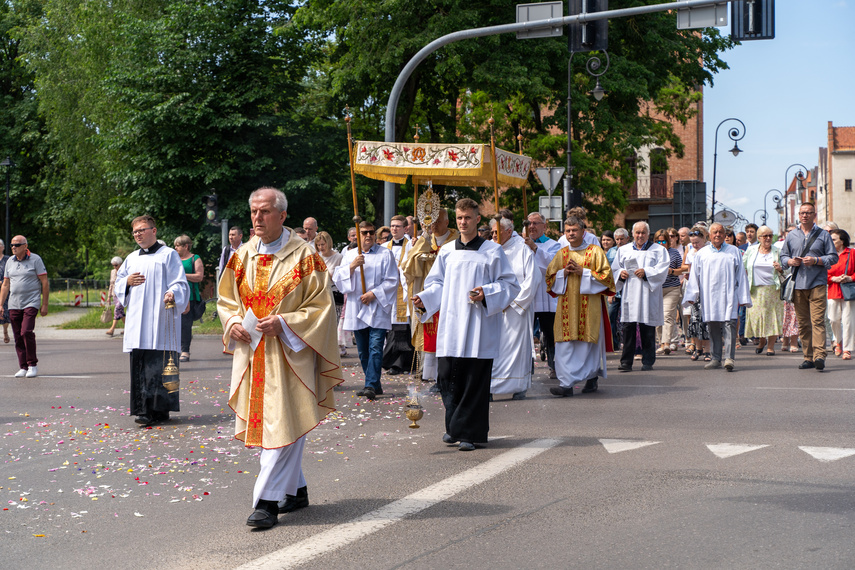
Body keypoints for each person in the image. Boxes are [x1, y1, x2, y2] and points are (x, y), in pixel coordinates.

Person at [217, 187, 342, 529]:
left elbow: (322, 309)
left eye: (265, 212)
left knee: (282, 422)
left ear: (283, 215)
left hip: (290, 353)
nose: (257, 218)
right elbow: (226, 298)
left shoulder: (305, 256)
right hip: (254, 353)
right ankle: (296, 489)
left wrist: (285, 323)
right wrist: (231, 323)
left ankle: (266, 501)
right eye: (254, 211)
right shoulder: (241, 255)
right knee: (282, 422)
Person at [412, 198, 519, 451]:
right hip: (451, 324)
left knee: (473, 380)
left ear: (477, 219)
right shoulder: (448, 251)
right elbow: (437, 284)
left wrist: (487, 292)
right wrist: (424, 299)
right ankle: (454, 427)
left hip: (478, 326)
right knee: (448, 378)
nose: (463, 222)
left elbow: (510, 285)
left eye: (468, 218)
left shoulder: (492, 251)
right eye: (459, 218)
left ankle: (469, 433)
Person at [115, 217, 189, 425]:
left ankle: (161, 409)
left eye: (142, 230)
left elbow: (180, 283)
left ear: (154, 230)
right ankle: (144, 411)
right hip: (138, 322)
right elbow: (120, 283)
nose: (138, 234)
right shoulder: (131, 258)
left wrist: (173, 293)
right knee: (141, 366)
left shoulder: (169, 255)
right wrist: (127, 283)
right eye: (135, 232)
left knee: (161, 366)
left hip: (161, 321)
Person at [545, 216, 615, 396]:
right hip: (566, 307)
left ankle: (591, 379)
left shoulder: (596, 251)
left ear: (583, 232)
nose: (571, 234)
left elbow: (607, 278)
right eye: (568, 231)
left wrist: (583, 272)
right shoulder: (561, 254)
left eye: (574, 230)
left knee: (586, 345)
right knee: (565, 345)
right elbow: (550, 279)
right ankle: (566, 384)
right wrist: (563, 273)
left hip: (588, 306)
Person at [333, 220, 398, 400]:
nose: (368, 236)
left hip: (376, 306)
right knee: (363, 350)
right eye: (364, 233)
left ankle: (369, 384)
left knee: (376, 346)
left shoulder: (386, 254)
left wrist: (374, 294)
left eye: (371, 232)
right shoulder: (350, 255)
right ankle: (375, 384)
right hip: (357, 305)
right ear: (358, 235)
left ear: (375, 234)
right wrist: (352, 266)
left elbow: (392, 280)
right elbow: (338, 278)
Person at [401, 209, 459, 389]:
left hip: (450, 294)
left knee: (449, 333)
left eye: (437, 221)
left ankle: (451, 374)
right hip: (428, 291)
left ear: (447, 222)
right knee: (430, 332)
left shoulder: (456, 241)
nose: (433, 225)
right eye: (430, 222)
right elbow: (408, 265)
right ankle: (432, 376)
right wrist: (423, 252)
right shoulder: (425, 239)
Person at [682, 223, 751, 372]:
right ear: (709, 235)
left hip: (729, 295)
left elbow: (741, 275)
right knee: (712, 326)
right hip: (710, 295)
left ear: (725, 234)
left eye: (721, 232)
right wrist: (692, 295)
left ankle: (729, 358)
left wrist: (743, 296)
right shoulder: (702, 253)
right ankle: (715, 358)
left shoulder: (734, 251)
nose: (718, 235)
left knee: (730, 325)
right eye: (715, 232)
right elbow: (694, 276)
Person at [780, 202, 838, 371]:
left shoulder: (823, 235)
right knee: (804, 324)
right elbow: (783, 257)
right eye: (802, 213)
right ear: (799, 215)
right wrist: (790, 261)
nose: (805, 215)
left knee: (817, 321)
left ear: (814, 215)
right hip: (798, 284)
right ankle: (808, 357)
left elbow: (833, 257)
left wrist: (817, 260)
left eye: (808, 212)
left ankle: (820, 355)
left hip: (817, 283)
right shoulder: (792, 236)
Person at [611, 222, 670, 372]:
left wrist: (647, 272)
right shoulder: (623, 250)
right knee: (628, 328)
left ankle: (648, 361)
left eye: (643, 232)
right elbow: (615, 269)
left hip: (648, 293)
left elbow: (662, 270)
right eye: (637, 232)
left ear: (648, 233)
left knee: (647, 328)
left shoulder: (658, 250)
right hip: (630, 293)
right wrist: (620, 274)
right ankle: (626, 362)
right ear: (632, 234)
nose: (640, 235)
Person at [490, 216, 536, 400]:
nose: (493, 235)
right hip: (495, 307)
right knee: (494, 347)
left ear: (509, 231)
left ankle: (518, 385)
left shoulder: (523, 249)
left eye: (497, 232)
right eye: (492, 232)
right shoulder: (489, 250)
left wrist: (516, 304)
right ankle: (492, 386)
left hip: (516, 309)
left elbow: (532, 279)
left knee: (516, 348)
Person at [0, 236, 49, 378]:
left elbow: (44, 282)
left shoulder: (36, 259)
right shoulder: (9, 261)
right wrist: (1, 304)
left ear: (25, 246)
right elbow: (6, 284)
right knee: (17, 335)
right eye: (12, 245)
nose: (14, 247)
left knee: (26, 331)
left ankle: (32, 364)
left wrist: (44, 304)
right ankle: (23, 366)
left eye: (17, 244)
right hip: (14, 303)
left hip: (31, 301)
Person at [524, 212, 562, 380]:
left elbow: (552, 265)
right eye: (529, 223)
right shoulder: (521, 244)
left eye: (536, 223)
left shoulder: (554, 245)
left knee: (551, 333)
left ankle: (554, 366)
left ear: (545, 226)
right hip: (528, 297)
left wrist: (535, 248)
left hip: (547, 297)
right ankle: (526, 368)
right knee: (525, 334)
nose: (531, 226)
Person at [742, 226, 784, 356]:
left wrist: (781, 268)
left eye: (770, 235)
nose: (768, 238)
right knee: (757, 318)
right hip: (755, 290)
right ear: (759, 238)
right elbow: (743, 266)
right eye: (764, 236)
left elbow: (787, 269)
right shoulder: (751, 250)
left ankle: (770, 346)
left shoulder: (778, 251)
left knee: (772, 318)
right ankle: (761, 340)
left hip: (773, 289)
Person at [381, 215, 414, 375]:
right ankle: (391, 361)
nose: (394, 229)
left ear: (405, 228)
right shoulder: (385, 246)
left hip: (404, 291)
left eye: (398, 226)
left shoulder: (412, 246)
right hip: (389, 292)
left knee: (402, 328)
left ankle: (401, 363)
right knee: (390, 328)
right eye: (392, 226)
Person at [173, 235, 205, 363]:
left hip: (189, 297)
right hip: (174, 296)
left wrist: (182, 276)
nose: (175, 248)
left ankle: (185, 350)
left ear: (186, 246)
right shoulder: (174, 258)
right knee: (174, 325)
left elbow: (199, 276)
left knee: (185, 325)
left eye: (177, 246)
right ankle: (175, 350)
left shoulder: (194, 258)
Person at [653, 229, 685, 356]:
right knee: (657, 317)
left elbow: (681, 270)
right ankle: (661, 343)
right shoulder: (651, 253)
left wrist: (671, 271)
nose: (661, 243)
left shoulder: (674, 253)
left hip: (672, 288)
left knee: (667, 316)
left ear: (668, 241)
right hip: (655, 289)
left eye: (664, 241)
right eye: (658, 241)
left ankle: (666, 343)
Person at [827, 229, 854, 360]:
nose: (831, 242)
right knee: (833, 319)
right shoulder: (828, 255)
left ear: (842, 241)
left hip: (849, 291)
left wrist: (850, 278)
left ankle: (847, 349)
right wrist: (833, 278)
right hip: (833, 290)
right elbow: (823, 273)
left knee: (848, 321)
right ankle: (838, 341)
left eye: (834, 239)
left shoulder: (852, 253)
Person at [684, 226, 709, 361]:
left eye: (697, 243)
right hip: (695, 290)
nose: (695, 245)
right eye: (692, 243)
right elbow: (689, 271)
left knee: (706, 320)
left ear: (704, 239)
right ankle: (698, 347)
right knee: (695, 320)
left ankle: (707, 350)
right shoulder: (691, 253)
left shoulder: (708, 252)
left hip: (707, 289)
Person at [607, 228, 629, 349]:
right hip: (614, 290)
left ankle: (627, 342)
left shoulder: (631, 250)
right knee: (611, 315)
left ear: (627, 239)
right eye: (617, 239)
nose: (619, 242)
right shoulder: (610, 252)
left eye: (622, 239)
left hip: (628, 289)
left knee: (627, 318)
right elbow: (608, 272)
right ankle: (614, 343)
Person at [106, 256, 126, 337]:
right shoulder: (112, 272)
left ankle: (112, 329)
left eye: (116, 265)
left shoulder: (125, 271)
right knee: (120, 312)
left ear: (120, 264)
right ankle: (128, 328)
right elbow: (111, 284)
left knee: (117, 309)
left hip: (122, 294)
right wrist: (109, 296)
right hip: (115, 294)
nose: (115, 267)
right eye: (113, 265)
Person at [0, 239, 10, 344]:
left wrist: (2, 282)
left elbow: (11, 274)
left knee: (4, 312)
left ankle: (5, 331)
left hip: (4, 288)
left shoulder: (7, 260)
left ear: (3, 247)